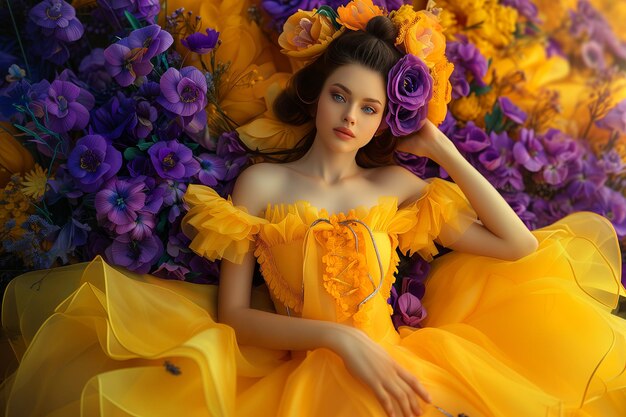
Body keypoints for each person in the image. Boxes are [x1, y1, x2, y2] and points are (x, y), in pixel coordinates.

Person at [1, 10, 626, 417]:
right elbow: (237, 316)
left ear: (389, 119)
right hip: (301, 378)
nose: (350, 118)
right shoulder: (262, 182)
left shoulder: (396, 187)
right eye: (340, 96)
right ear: (318, 94)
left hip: (406, 368)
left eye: (370, 109)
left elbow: (518, 245)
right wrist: (338, 338)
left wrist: (441, 146)